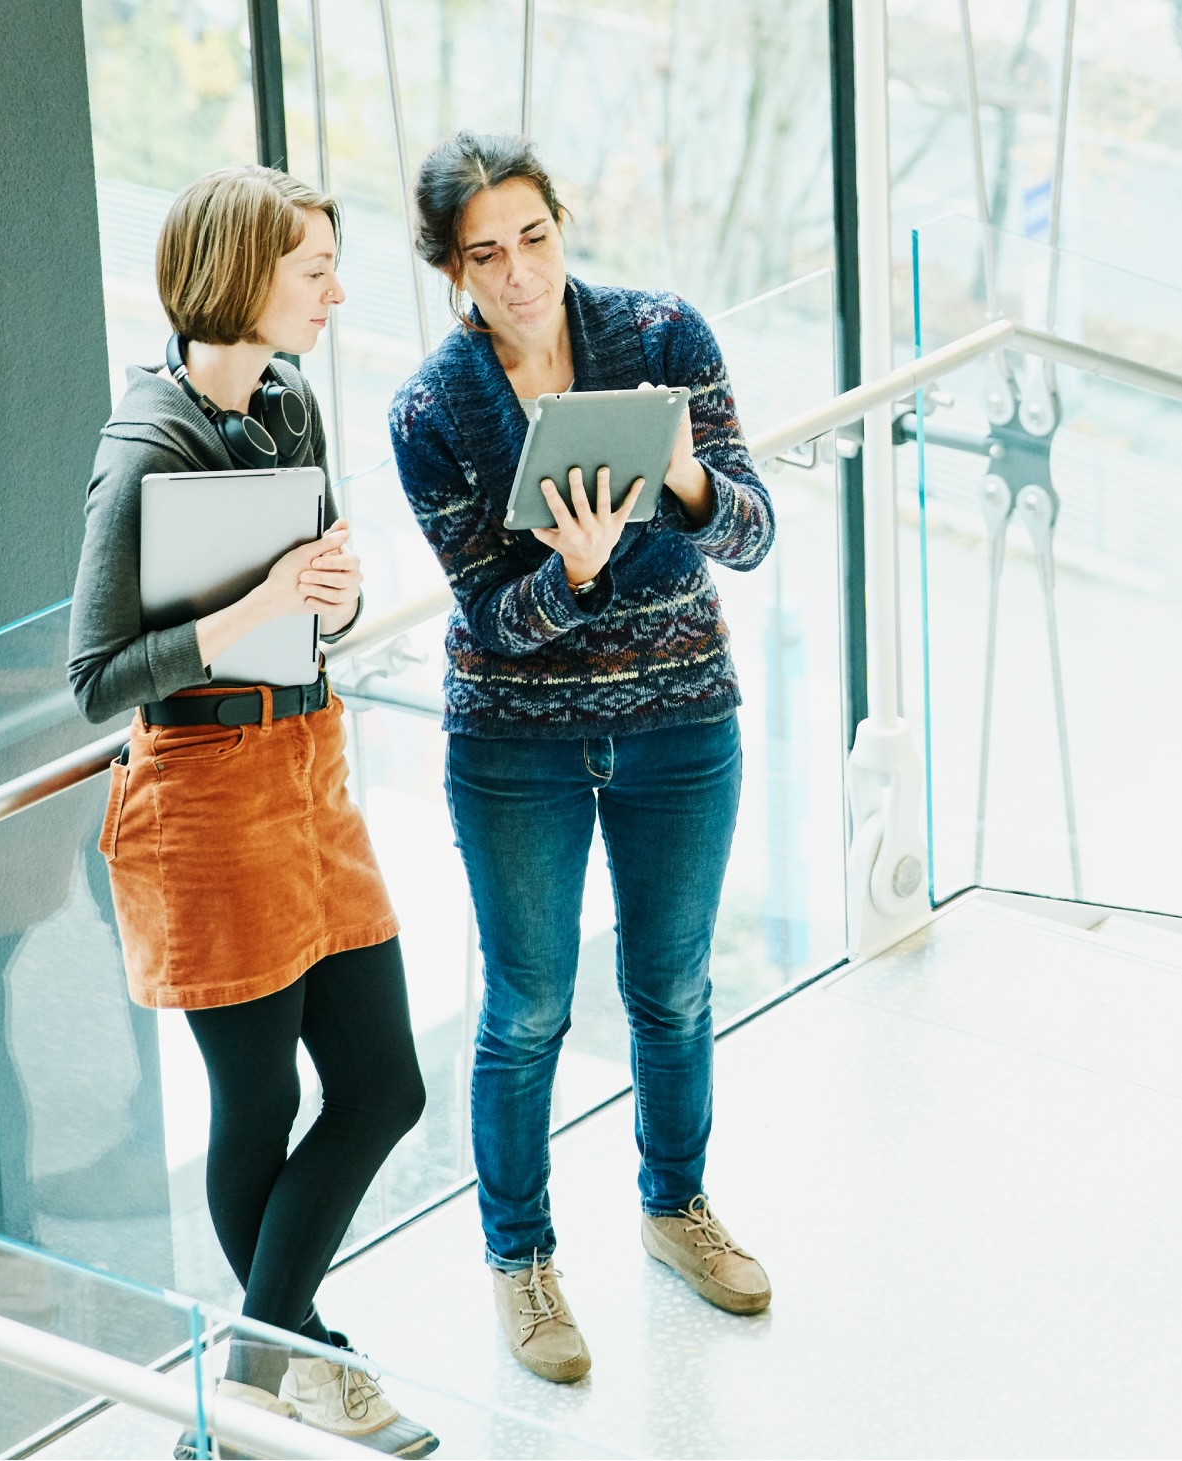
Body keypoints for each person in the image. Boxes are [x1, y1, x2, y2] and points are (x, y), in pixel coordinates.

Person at [389, 131, 777, 1385]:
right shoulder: (430, 410)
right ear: (451, 269)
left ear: (563, 223)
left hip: (680, 722)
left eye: (534, 239)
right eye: (484, 256)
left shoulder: (664, 337)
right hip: (515, 750)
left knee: (670, 988)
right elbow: (485, 620)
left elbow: (755, 531)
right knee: (529, 1011)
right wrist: (575, 575)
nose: (517, 275)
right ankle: (523, 1261)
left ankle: (676, 1208)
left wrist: (688, 483)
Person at [67, 166, 437, 1459]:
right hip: (208, 795)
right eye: (313, 272)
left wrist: (328, 596)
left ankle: (250, 1380)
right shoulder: (146, 448)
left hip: (310, 767)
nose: (337, 292)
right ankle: (298, 1367)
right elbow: (93, 679)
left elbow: (316, 605)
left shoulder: (288, 402)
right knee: (258, 1103)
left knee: (384, 1085)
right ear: (238, 279)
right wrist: (246, 614)